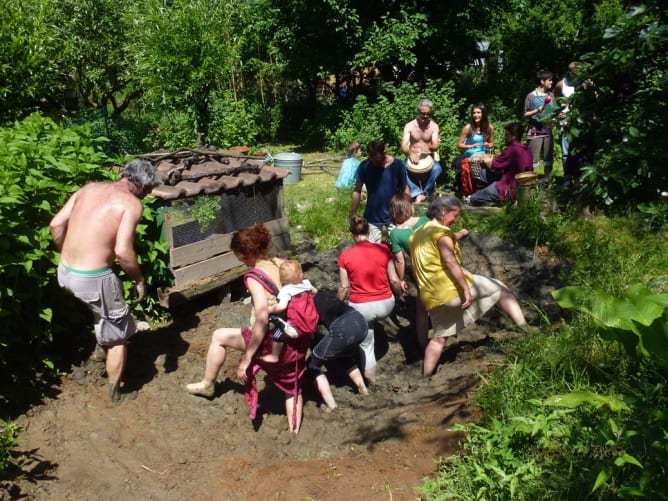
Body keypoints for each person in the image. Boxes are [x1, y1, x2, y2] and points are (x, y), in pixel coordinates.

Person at [49, 159, 159, 404]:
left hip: (65, 272)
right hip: (93, 278)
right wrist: (139, 280)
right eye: (148, 190)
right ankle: (115, 392)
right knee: (120, 335)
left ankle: (99, 350)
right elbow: (123, 252)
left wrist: (66, 252)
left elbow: (55, 224)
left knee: (103, 311)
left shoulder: (88, 188)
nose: (148, 195)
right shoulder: (131, 204)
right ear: (140, 185)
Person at [186, 224, 310, 434]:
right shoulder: (282, 263)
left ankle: (208, 384)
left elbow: (262, 318)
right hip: (296, 337)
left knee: (218, 336)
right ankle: (294, 431)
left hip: (270, 341)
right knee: (292, 388)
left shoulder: (255, 277)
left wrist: (246, 358)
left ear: (244, 254)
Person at [409, 195, 532, 377]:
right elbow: (450, 261)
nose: (455, 219)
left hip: (432, 295)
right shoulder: (442, 233)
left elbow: (419, 267)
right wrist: (466, 288)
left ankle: (425, 377)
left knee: (438, 338)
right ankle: (525, 328)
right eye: (455, 215)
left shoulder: (417, 235)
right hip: (450, 290)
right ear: (444, 212)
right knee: (500, 288)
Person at [388, 193, 469, 350]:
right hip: (439, 266)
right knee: (451, 294)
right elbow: (446, 237)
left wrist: (401, 279)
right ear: (410, 207)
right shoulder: (425, 220)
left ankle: (423, 345)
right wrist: (461, 233)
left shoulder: (396, 233)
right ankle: (452, 328)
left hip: (421, 272)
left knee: (422, 310)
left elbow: (400, 260)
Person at [337, 216, 402, 383]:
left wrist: (337, 306)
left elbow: (344, 287)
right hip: (385, 305)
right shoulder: (383, 250)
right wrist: (400, 295)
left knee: (366, 345)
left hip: (362, 307)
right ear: (369, 231)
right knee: (373, 318)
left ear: (352, 234)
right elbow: (394, 279)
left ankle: (370, 379)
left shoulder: (345, 256)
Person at [308, 290, 370, 410]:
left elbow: (309, 333)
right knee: (344, 356)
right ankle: (364, 390)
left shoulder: (307, 305)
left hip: (343, 328)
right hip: (360, 322)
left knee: (312, 364)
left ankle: (332, 407)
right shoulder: (324, 294)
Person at [350, 140, 410, 243]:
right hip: (373, 215)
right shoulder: (365, 166)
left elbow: (405, 189)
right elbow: (357, 190)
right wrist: (353, 212)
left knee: (400, 246)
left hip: (395, 214)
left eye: (377, 159)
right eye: (371, 158)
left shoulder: (398, 165)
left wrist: (408, 210)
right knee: (372, 249)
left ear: (385, 152)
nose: (374, 162)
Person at [262, 260, 317, 364]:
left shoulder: (286, 289)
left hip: (296, 328)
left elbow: (282, 306)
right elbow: (315, 292)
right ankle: (310, 333)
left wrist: (269, 309)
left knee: (278, 333)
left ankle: (274, 356)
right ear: (301, 275)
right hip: (312, 323)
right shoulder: (307, 283)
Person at [466, 122, 533, 207]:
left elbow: (492, 165)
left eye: (507, 135)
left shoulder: (512, 150)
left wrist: (486, 159)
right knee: (483, 173)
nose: (504, 137)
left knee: (471, 199)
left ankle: (493, 198)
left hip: (509, 187)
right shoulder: (526, 149)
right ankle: (490, 195)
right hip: (519, 184)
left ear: (514, 136)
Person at [401, 98, 443, 203]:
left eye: (428, 114)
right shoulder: (409, 126)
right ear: (418, 111)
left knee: (437, 169)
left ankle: (425, 193)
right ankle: (415, 192)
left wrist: (429, 148)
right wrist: (411, 153)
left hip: (428, 158)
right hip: (412, 156)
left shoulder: (433, 126)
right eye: (423, 113)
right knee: (400, 167)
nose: (425, 116)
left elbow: (436, 145)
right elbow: (403, 146)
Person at [523, 70, 557, 177]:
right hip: (535, 131)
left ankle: (547, 181)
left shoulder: (551, 95)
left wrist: (558, 116)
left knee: (548, 158)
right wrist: (537, 110)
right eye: (550, 80)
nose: (552, 82)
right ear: (542, 81)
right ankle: (529, 182)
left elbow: (555, 111)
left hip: (548, 130)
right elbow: (525, 115)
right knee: (532, 159)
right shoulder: (531, 96)